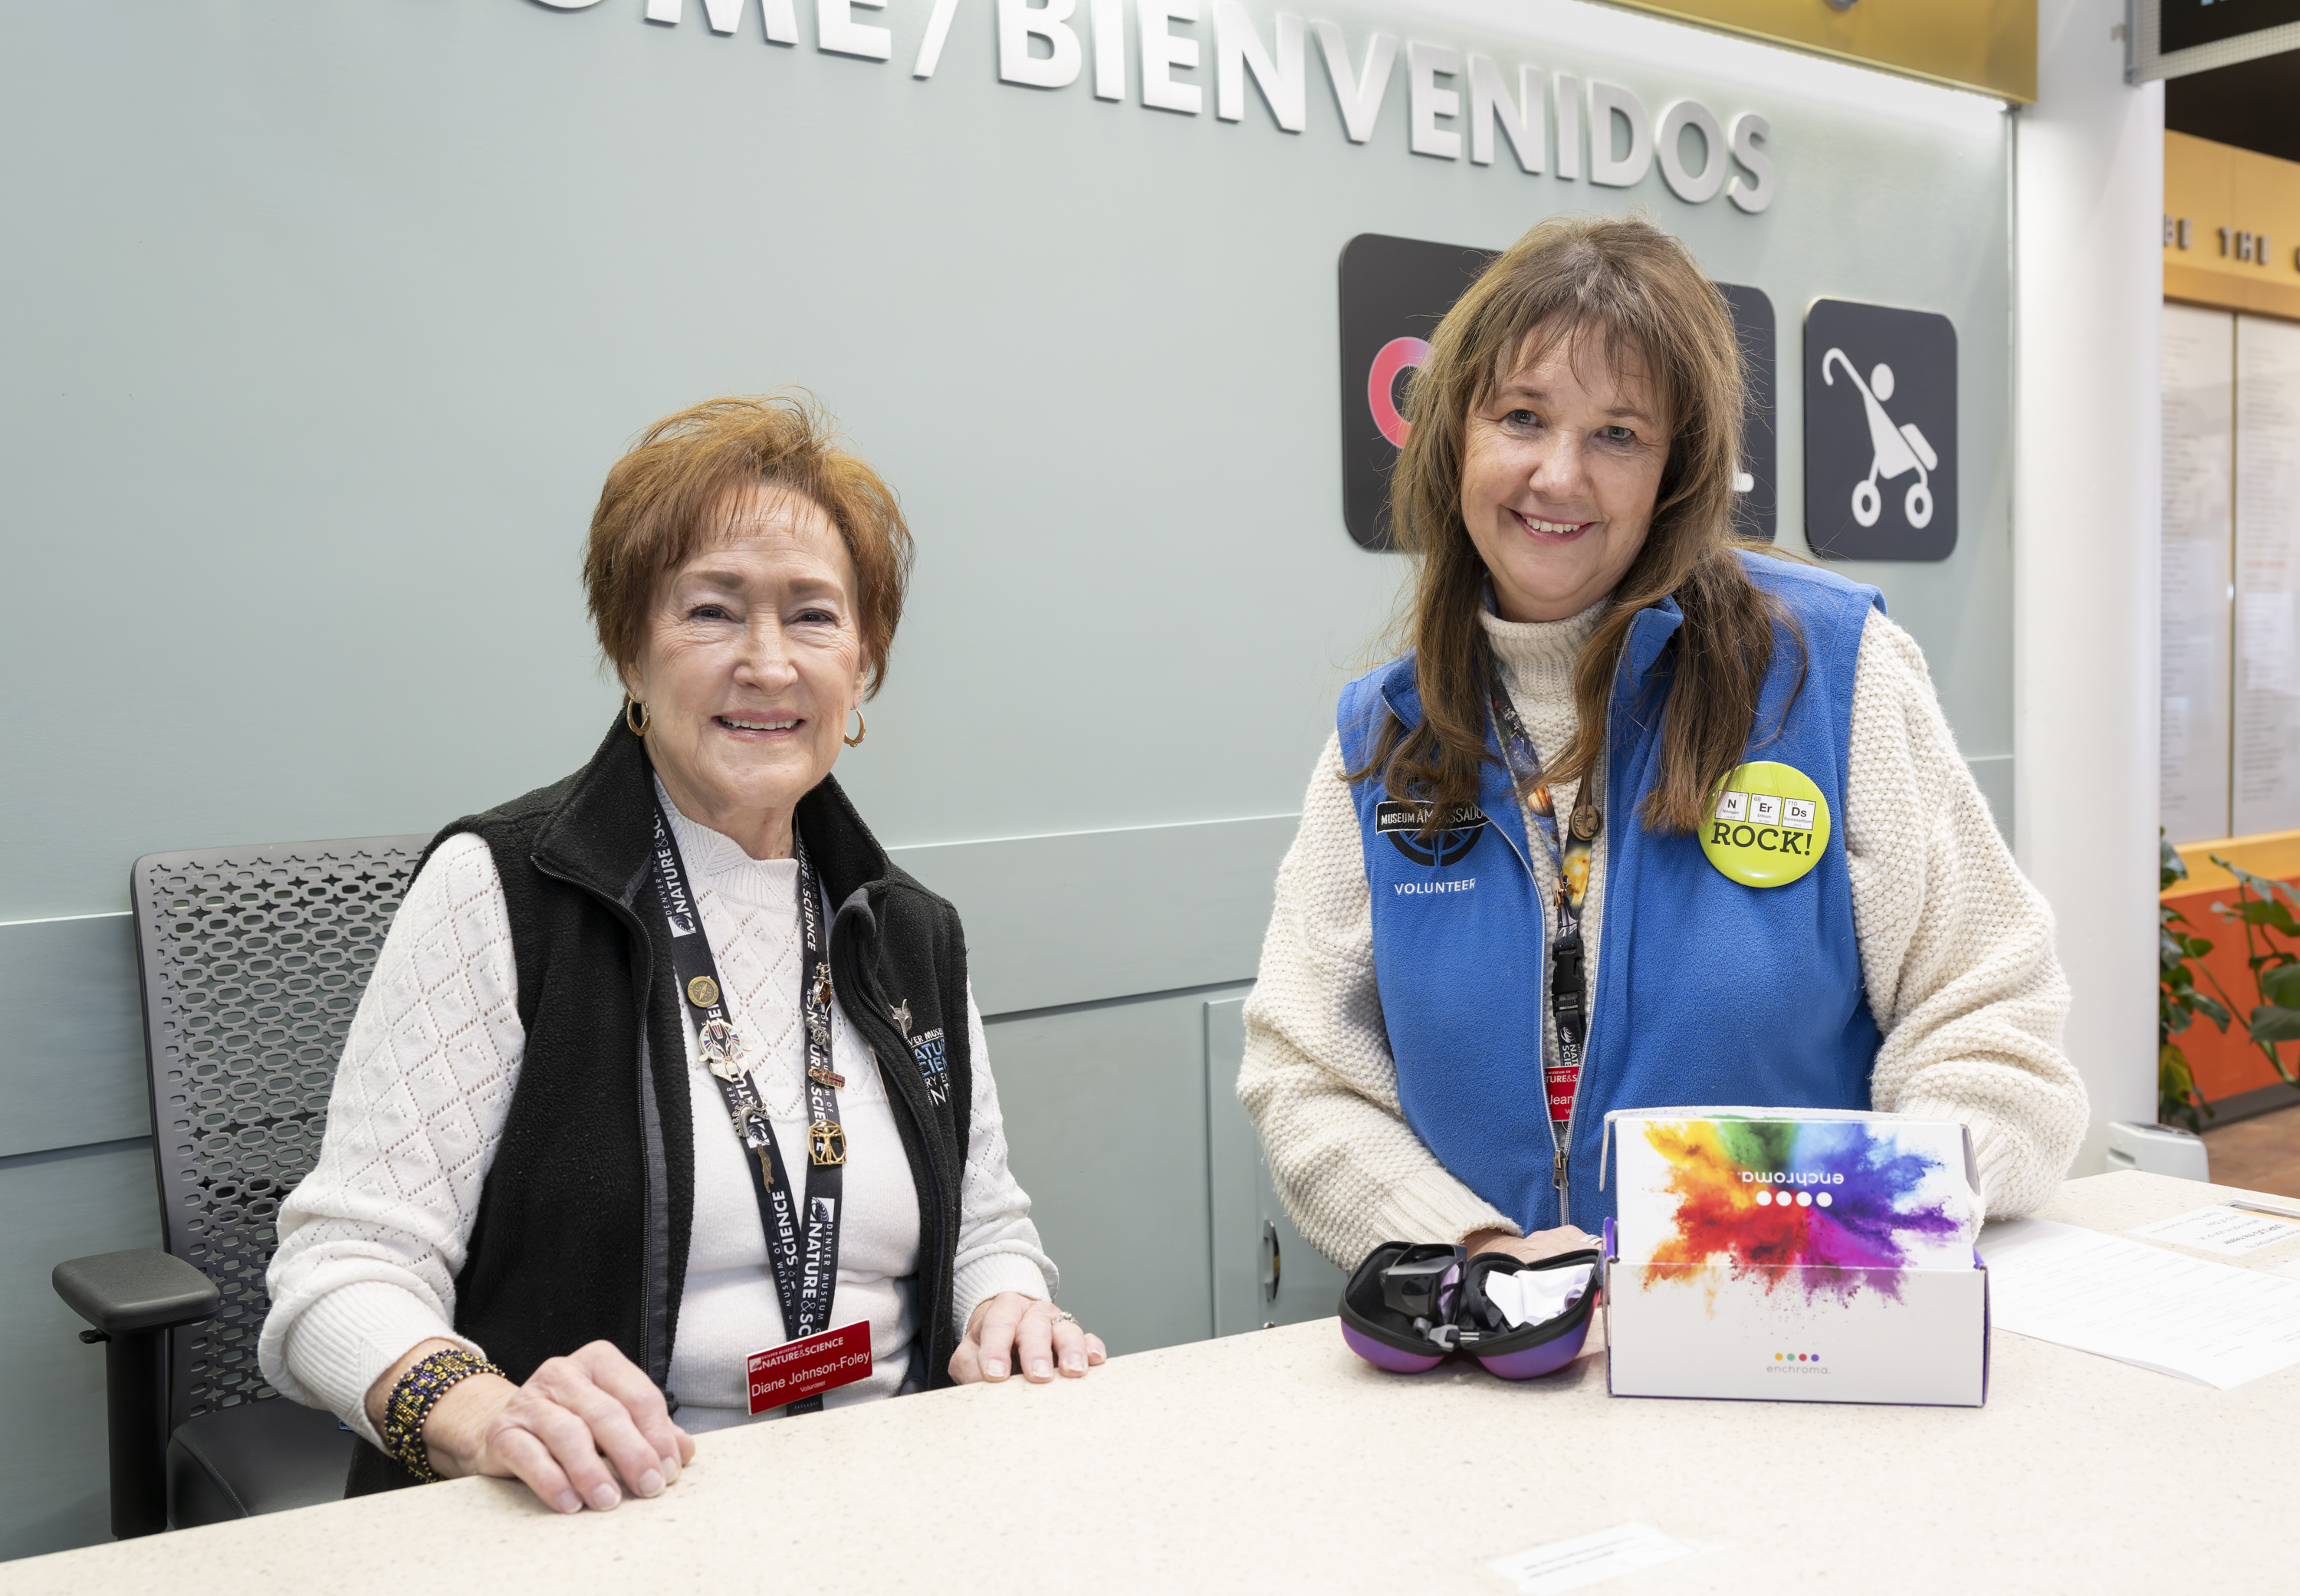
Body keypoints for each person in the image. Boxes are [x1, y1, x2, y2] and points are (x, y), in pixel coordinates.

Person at [260, 396, 1105, 1510]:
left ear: (864, 661)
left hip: (894, 1495)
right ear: (630, 649)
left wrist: (1006, 1304)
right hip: (609, 1511)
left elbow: (988, 1225)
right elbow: (338, 1275)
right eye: (711, 611)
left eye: (812, 616)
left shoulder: (908, 929)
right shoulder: (502, 892)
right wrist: (486, 1414)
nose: (766, 662)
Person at [1239, 217, 2086, 1271]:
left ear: (1676, 473)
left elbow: (1995, 1032)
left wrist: (1823, 1233)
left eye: (1618, 435)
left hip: (1788, 1351)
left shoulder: (1831, 674)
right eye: (1522, 415)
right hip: (1495, 1365)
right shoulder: (1387, 736)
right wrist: (1488, 1257)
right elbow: (1306, 1071)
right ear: (1456, 433)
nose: (1558, 474)